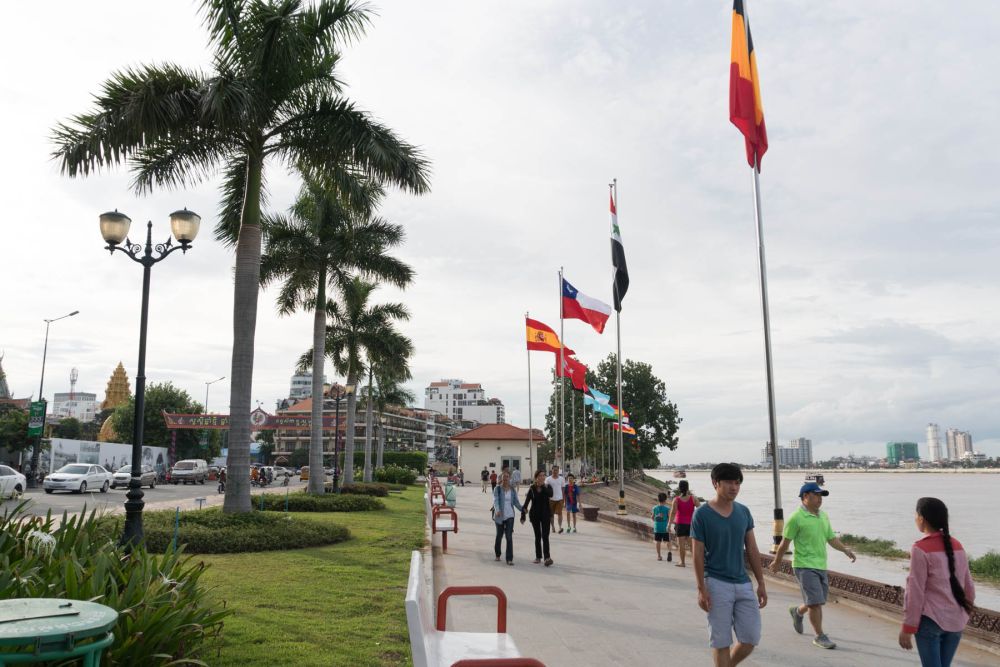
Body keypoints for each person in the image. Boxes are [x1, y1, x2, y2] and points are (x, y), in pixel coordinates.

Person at [691, 463, 767, 667]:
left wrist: (761, 582)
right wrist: (701, 589)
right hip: (715, 583)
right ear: (715, 483)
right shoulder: (702, 514)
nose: (734, 487)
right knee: (721, 641)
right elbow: (697, 554)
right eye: (728, 483)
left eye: (737, 483)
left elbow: (752, 548)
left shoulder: (743, 512)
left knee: (751, 638)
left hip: (743, 583)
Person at [769, 482, 856, 650]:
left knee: (817, 601)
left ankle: (798, 611)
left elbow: (831, 538)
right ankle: (819, 636)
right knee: (815, 603)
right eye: (816, 495)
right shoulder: (796, 518)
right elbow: (784, 543)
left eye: (821, 496)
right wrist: (777, 561)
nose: (819, 499)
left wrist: (845, 549)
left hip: (821, 565)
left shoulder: (823, 516)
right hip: (803, 566)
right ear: (805, 497)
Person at [899, 497, 975, 667]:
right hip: (956, 621)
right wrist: (963, 614)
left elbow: (915, 591)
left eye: (916, 514)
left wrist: (908, 627)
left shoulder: (920, 548)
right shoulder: (958, 545)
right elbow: (969, 586)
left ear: (921, 518)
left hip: (930, 621)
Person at [521, 469, 554, 566]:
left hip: (545, 515)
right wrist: (523, 516)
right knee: (538, 536)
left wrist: (542, 486)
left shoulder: (547, 486)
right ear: (536, 477)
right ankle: (538, 557)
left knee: (545, 536)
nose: (542, 477)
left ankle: (547, 557)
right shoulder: (532, 488)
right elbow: (526, 503)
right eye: (540, 475)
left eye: (544, 475)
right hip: (534, 515)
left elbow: (550, 494)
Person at [492, 470, 523, 565]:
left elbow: (516, 502)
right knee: (499, 536)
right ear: (501, 478)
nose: (505, 478)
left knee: (509, 537)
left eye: (507, 477)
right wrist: (497, 510)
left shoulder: (512, 490)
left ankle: (509, 559)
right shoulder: (497, 489)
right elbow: (496, 500)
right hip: (499, 515)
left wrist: (523, 509)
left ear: (509, 478)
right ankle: (498, 553)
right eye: (503, 477)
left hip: (510, 515)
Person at [668, 479, 700, 568]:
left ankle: (682, 562)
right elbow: (700, 510)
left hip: (680, 524)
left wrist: (669, 524)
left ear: (679, 488)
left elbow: (673, 512)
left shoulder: (676, 499)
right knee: (692, 545)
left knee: (681, 545)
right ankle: (696, 563)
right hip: (691, 524)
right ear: (687, 488)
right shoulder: (693, 498)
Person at [652, 492, 673, 562]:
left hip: (657, 527)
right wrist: (669, 525)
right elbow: (670, 518)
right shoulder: (667, 508)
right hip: (665, 527)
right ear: (665, 500)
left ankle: (659, 556)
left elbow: (652, 518)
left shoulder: (654, 508)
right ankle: (669, 551)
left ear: (658, 499)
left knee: (658, 542)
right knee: (668, 541)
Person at [546, 465, 565, 534]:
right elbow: (546, 489)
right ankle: (553, 527)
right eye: (554, 470)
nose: (555, 471)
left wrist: (563, 499)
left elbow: (563, 489)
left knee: (560, 514)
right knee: (551, 514)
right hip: (551, 499)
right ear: (552, 470)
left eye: (556, 470)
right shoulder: (548, 479)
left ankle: (560, 527)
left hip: (559, 499)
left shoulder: (561, 479)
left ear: (558, 471)